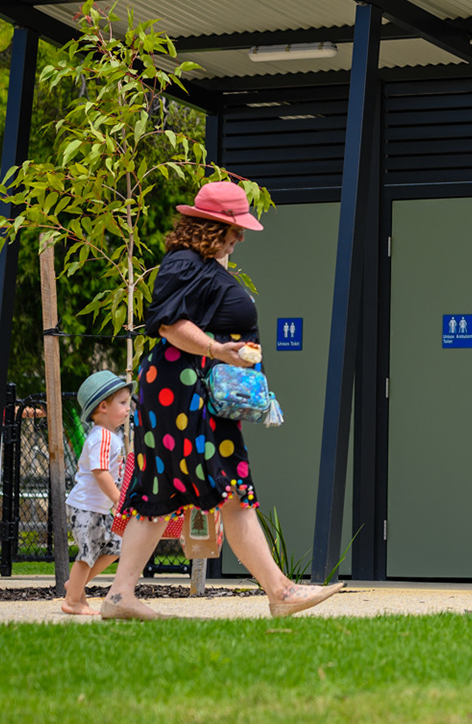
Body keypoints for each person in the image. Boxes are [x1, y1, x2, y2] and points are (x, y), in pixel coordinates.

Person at [101, 181, 342, 621]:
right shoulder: (182, 263)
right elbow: (169, 325)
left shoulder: (203, 263)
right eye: (235, 228)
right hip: (184, 392)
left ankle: (120, 596)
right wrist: (218, 350)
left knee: (161, 489)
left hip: (189, 392)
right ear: (212, 227)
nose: (241, 237)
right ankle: (281, 592)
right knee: (229, 490)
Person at [62, 371, 133, 615]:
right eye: (123, 403)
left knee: (115, 548)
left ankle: (75, 587)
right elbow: (101, 472)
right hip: (86, 507)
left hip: (96, 508)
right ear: (103, 406)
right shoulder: (102, 437)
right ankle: (72, 601)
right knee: (87, 555)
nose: (128, 408)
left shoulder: (110, 436)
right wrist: (119, 500)